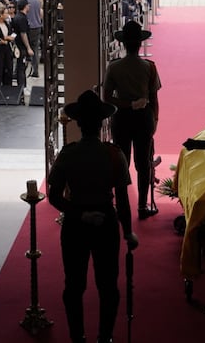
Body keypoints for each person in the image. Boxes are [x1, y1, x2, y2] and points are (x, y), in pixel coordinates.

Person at [48, 89, 139, 343]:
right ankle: (105, 337)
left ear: (78, 124)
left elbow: (55, 197)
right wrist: (128, 231)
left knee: (74, 286)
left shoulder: (68, 153)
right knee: (108, 287)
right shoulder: (114, 154)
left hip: (75, 224)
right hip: (106, 222)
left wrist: (78, 213)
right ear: (102, 123)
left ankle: (78, 337)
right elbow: (121, 199)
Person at [102, 20, 162, 219]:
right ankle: (142, 206)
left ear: (123, 44)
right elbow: (154, 98)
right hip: (144, 117)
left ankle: (120, 205)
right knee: (143, 163)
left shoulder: (115, 67)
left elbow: (107, 97)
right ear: (139, 44)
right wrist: (154, 120)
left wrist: (126, 104)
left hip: (121, 117)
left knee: (122, 162)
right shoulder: (149, 67)